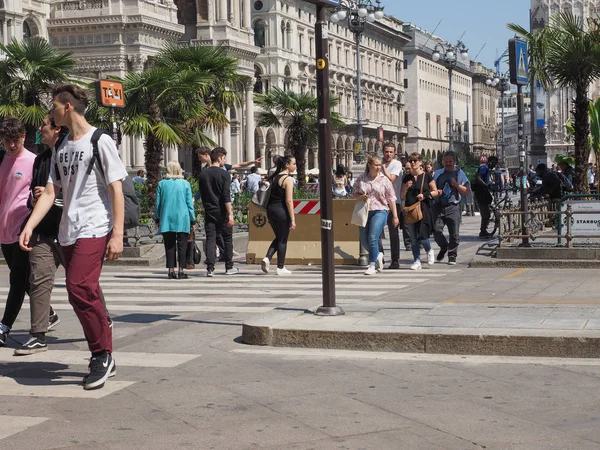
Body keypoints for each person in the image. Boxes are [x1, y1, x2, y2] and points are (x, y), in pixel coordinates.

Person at [20, 84, 127, 390]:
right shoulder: (62, 146)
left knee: (79, 285)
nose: (50, 112)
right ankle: (102, 347)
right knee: (81, 291)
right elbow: (52, 190)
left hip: (95, 225)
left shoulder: (100, 140)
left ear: (67, 107)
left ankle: (101, 354)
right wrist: (30, 224)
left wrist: (117, 234)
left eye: (53, 105)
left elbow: (116, 189)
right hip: (68, 229)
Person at [0, 117, 37, 348]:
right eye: (7, 140)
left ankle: (4, 326)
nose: (11, 145)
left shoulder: (34, 161)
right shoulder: (1, 159)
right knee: (23, 280)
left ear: (23, 137)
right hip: (4, 230)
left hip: (24, 229)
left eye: (15, 140)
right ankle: (49, 312)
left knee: (16, 280)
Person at [353, 155, 399, 276]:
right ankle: (378, 254)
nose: (378, 167)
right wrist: (360, 197)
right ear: (369, 165)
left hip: (380, 210)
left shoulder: (384, 180)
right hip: (364, 210)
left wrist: (395, 216)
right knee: (364, 239)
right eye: (376, 165)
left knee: (373, 237)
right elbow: (354, 193)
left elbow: (391, 198)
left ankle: (372, 264)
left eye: (380, 165)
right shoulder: (361, 178)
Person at [197, 147, 236, 277]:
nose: (225, 160)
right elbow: (226, 196)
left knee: (211, 239)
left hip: (209, 210)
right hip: (222, 211)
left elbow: (202, 194)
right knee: (227, 238)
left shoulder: (203, 175)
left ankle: (210, 268)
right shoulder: (224, 174)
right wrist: (230, 213)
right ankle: (229, 266)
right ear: (219, 158)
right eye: (224, 158)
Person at [155, 161, 195, 280]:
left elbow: (158, 203)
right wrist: (192, 220)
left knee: (169, 245)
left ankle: (170, 270)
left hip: (167, 217)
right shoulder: (185, 184)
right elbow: (189, 204)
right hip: (182, 217)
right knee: (182, 245)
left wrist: (157, 217)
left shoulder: (161, 184)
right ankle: (181, 271)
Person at [401, 152, 439, 270]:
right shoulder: (407, 177)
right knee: (413, 237)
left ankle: (429, 250)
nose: (413, 163)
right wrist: (406, 187)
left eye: (415, 160)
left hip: (423, 208)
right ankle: (417, 260)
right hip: (410, 209)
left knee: (422, 235)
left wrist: (425, 195)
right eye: (411, 160)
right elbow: (402, 195)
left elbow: (435, 191)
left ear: (420, 162)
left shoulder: (426, 176)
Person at [261, 155, 297, 275]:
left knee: (279, 237)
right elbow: (289, 201)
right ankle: (280, 267)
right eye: (294, 164)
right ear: (287, 165)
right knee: (282, 240)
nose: (295, 166)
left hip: (271, 210)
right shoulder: (288, 179)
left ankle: (267, 258)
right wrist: (293, 219)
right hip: (281, 211)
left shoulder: (275, 177)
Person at [432, 151, 470, 265]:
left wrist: (456, 185)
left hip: (453, 206)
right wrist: (435, 192)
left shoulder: (459, 173)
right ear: (443, 161)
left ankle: (452, 255)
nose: (448, 164)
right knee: (436, 230)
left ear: (454, 161)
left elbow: (466, 191)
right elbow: (431, 188)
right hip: (438, 206)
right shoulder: (437, 173)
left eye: (450, 161)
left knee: (454, 233)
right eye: (446, 161)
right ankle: (444, 246)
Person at [381, 142, 408, 269]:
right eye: (386, 152)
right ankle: (379, 256)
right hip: (379, 202)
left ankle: (395, 260)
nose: (388, 154)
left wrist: (383, 168)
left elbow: (391, 178)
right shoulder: (378, 163)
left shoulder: (396, 164)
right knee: (376, 231)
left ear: (394, 153)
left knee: (393, 232)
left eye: (391, 152)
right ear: (383, 152)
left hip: (393, 202)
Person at [473, 155, 498, 239]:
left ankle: (484, 230)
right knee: (485, 213)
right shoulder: (484, 168)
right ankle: (483, 231)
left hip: (483, 192)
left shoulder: (487, 169)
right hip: (481, 193)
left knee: (486, 212)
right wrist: (486, 185)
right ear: (490, 162)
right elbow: (478, 178)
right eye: (494, 163)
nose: (494, 166)